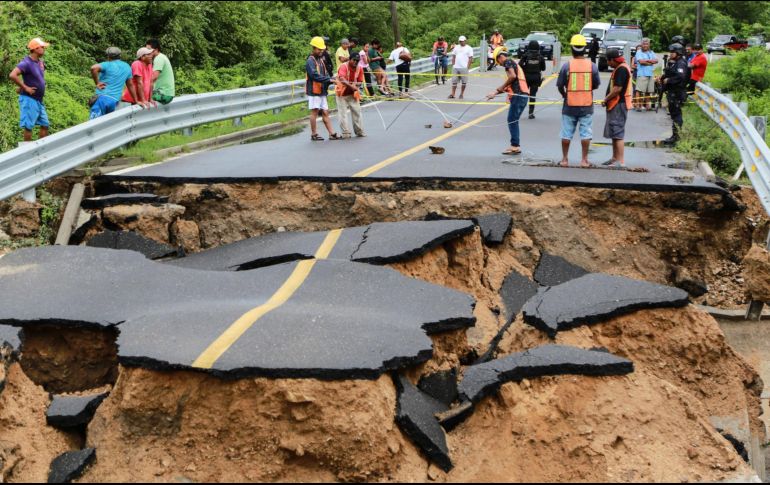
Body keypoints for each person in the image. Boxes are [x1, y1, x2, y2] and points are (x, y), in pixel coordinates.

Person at [556, 34, 601, 168]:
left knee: (566, 133)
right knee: (586, 133)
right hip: (586, 105)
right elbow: (596, 84)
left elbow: (560, 85)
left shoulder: (566, 66)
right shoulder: (592, 66)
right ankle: (584, 160)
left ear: (572, 49)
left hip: (569, 105)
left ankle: (564, 160)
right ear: (585, 49)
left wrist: (565, 95)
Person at [486, 48, 530, 155]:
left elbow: (512, 76)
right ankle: (515, 145)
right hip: (523, 95)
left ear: (500, 57)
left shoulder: (508, 62)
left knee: (512, 119)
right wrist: (494, 93)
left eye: (498, 62)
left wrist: (501, 86)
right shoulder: (514, 64)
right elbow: (510, 84)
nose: (500, 65)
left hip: (518, 96)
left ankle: (515, 146)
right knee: (513, 120)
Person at [9, 38, 50, 142]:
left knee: (45, 124)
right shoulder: (26, 63)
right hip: (29, 99)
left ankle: (41, 149)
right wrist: (25, 87)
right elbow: (13, 75)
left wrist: (42, 83)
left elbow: (35, 76)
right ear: (35, 49)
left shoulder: (40, 62)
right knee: (29, 126)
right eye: (42, 47)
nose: (44, 48)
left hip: (38, 100)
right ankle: (27, 153)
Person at [306, 36, 341, 141]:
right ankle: (314, 134)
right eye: (319, 49)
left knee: (325, 112)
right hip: (314, 90)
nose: (321, 51)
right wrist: (329, 80)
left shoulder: (321, 60)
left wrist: (332, 79)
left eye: (322, 49)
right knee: (315, 111)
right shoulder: (310, 61)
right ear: (314, 48)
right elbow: (314, 76)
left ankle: (331, 133)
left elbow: (325, 74)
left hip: (322, 90)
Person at [601, 49, 632, 166]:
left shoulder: (621, 69)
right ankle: (614, 158)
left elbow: (617, 89)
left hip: (619, 104)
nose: (607, 64)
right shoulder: (619, 68)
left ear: (613, 60)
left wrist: (606, 99)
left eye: (608, 61)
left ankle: (620, 161)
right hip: (615, 104)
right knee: (614, 131)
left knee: (618, 132)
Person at [89, 47, 139, 119]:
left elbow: (93, 68)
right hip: (114, 101)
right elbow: (130, 85)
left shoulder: (107, 64)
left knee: (94, 123)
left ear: (108, 56)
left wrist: (97, 83)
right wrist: (136, 100)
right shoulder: (127, 67)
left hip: (102, 98)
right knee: (106, 124)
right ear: (120, 56)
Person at [658, 43, 688, 144]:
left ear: (678, 53)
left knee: (676, 115)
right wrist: (662, 77)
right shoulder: (675, 62)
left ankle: (676, 136)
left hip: (677, 92)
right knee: (673, 114)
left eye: (672, 52)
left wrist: (669, 80)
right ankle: (674, 135)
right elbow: (670, 73)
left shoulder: (681, 63)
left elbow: (680, 77)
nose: (670, 54)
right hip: (672, 92)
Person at [336, 53, 366, 138]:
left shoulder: (359, 68)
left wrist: (357, 86)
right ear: (350, 59)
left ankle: (359, 131)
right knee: (343, 114)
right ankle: (346, 133)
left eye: (357, 61)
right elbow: (342, 78)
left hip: (353, 94)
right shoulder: (343, 66)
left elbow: (360, 80)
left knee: (357, 112)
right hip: (341, 94)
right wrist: (351, 86)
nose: (355, 62)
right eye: (354, 60)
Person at [519, 40, 546, 119]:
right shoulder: (540, 57)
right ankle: (531, 113)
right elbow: (543, 68)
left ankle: (519, 112)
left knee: (524, 95)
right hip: (536, 78)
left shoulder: (525, 56)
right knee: (533, 95)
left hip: (526, 77)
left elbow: (519, 65)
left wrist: (525, 67)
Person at [146, 39, 174, 105]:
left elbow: (153, 78)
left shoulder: (159, 58)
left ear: (156, 49)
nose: (146, 52)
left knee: (140, 97)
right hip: (167, 93)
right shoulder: (161, 56)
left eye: (149, 50)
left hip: (163, 94)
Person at [634, 38, 658, 111]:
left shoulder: (651, 52)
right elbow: (641, 62)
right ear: (641, 44)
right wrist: (650, 62)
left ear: (649, 45)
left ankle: (648, 106)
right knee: (639, 90)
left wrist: (647, 61)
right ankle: (638, 106)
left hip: (650, 74)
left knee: (649, 91)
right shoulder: (638, 52)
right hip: (642, 74)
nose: (645, 45)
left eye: (647, 44)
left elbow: (656, 60)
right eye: (644, 44)